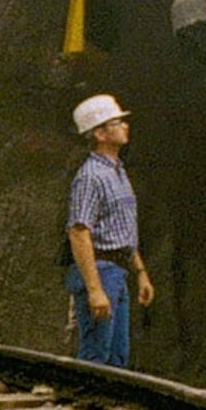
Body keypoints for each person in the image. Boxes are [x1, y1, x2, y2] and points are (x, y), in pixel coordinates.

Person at [65, 93, 152, 367]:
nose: (125, 126)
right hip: (100, 270)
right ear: (100, 133)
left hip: (118, 271)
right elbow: (79, 232)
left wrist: (140, 272)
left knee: (117, 357)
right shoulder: (91, 176)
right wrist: (94, 290)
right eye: (117, 122)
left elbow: (123, 229)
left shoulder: (118, 171)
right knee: (96, 354)